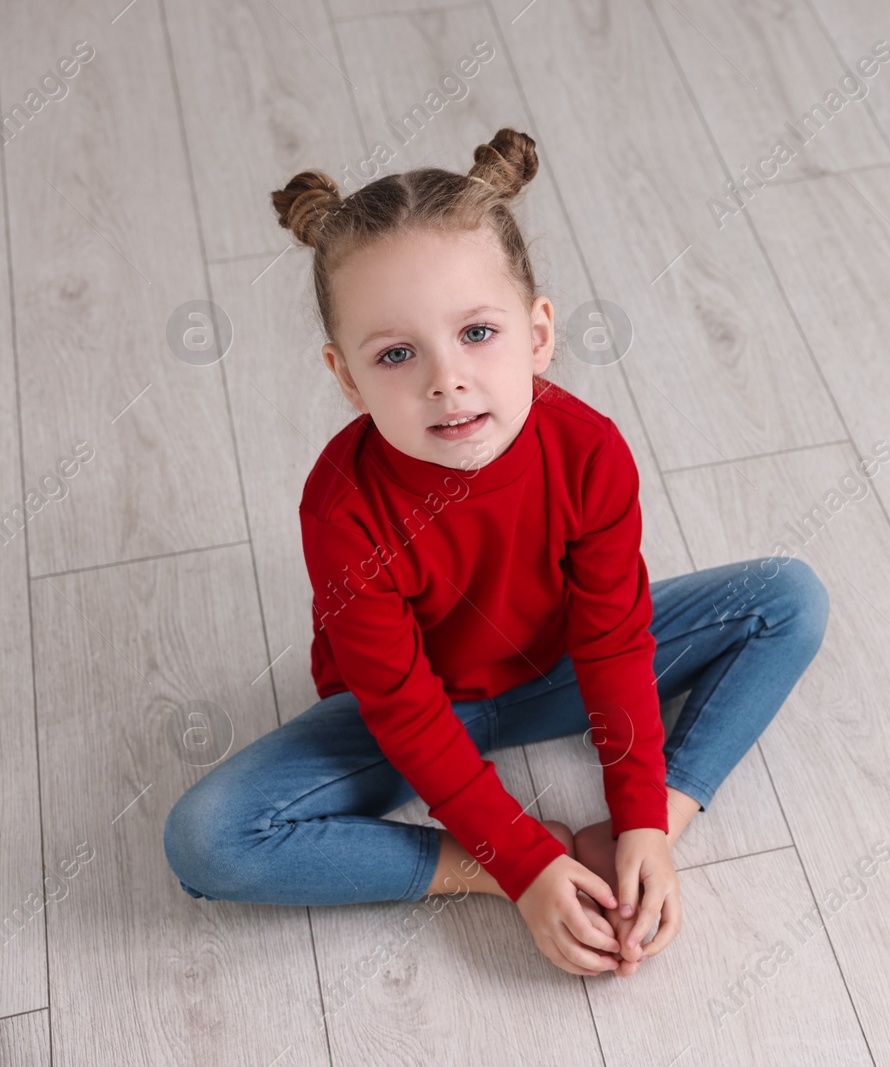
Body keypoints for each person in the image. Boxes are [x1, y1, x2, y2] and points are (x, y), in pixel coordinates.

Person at [162, 127, 830, 979]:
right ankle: (482, 865)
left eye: (478, 332)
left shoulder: (589, 452)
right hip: (411, 711)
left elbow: (613, 639)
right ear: (345, 376)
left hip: (555, 670)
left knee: (789, 597)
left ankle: (648, 830)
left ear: (539, 331)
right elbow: (403, 711)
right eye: (396, 354)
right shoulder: (343, 508)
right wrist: (519, 863)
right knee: (206, 839)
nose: (447, 379)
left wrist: (642, 823)